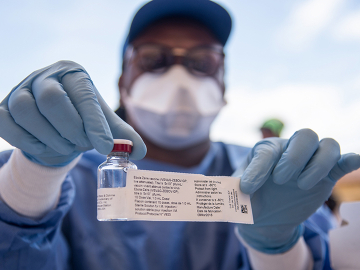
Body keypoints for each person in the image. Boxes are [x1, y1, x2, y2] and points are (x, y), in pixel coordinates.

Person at [0, 0, 358, 269]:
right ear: (123, 83)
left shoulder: (271, 177)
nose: (179, 78)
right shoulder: (62, 174)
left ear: (223, 86)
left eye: (202, 63)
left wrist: (276, 249)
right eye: (154, 59)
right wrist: (30, 181)